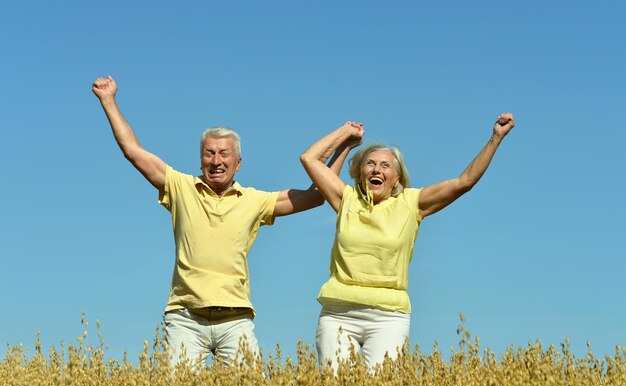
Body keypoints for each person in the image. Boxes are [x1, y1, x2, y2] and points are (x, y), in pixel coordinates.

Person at [92, 75, 349, 368]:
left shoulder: (254, 200)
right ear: (200, 161)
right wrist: (109, 101)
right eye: (209, 154)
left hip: (236, 318)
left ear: (238, 163)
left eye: (224, 154)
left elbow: (315, 196)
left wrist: (344, 146)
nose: (216, 161)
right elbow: (133, 152)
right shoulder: (180, 187)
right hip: (185, 318)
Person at [300, 114, 515, 369]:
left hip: (388, 316)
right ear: (360, 173)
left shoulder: (412, 203)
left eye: (385, 166)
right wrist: (345, 135)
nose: (377, 169)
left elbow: (464, 182)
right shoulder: (346, 199)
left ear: (397, 179)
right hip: (338, 312)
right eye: (370, 164)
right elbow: (309, 158)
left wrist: (495, 138)